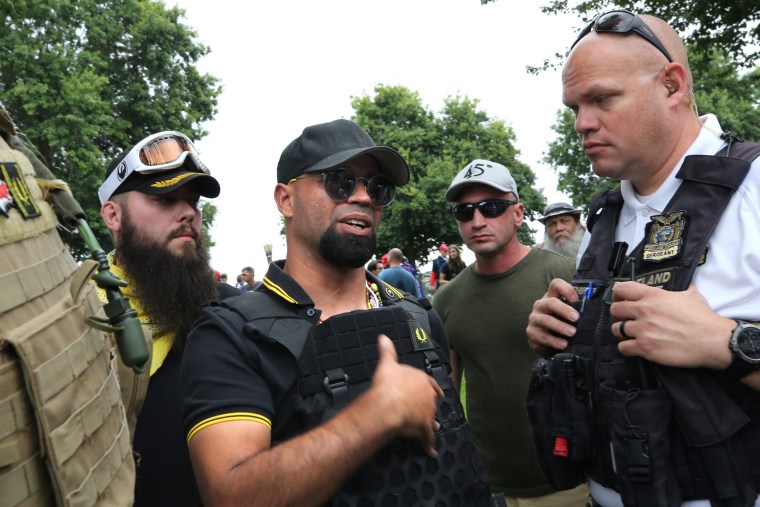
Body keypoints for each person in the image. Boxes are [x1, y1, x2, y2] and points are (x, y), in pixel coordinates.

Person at [180, 119, 492, 506]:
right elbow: (230, 496)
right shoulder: (230, 336)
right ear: (285, 199)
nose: (363, 197)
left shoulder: (418, 317)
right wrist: (374, 417)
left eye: (377, 188)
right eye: (340, 182)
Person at [526, 11, 760, 507]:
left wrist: (728, 343)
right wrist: (563, 330)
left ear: (672, 85)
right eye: (574, 107)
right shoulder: (606, 215)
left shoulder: (754, 187)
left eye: (602, 99)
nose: (582, 124)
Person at [432, 159, 585, 506]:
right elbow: (449, 397)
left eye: (491, 207)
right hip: (486, 483)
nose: (477, 220)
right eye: (465, 211)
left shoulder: (561, 274)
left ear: (517, 213)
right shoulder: (446, 299)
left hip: (567, 480)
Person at [98, 130, 226, 506]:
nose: (188, 212)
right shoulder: (72, 317)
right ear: (113, 215)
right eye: (165, 199)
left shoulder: (234, 315)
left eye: (192, 201)